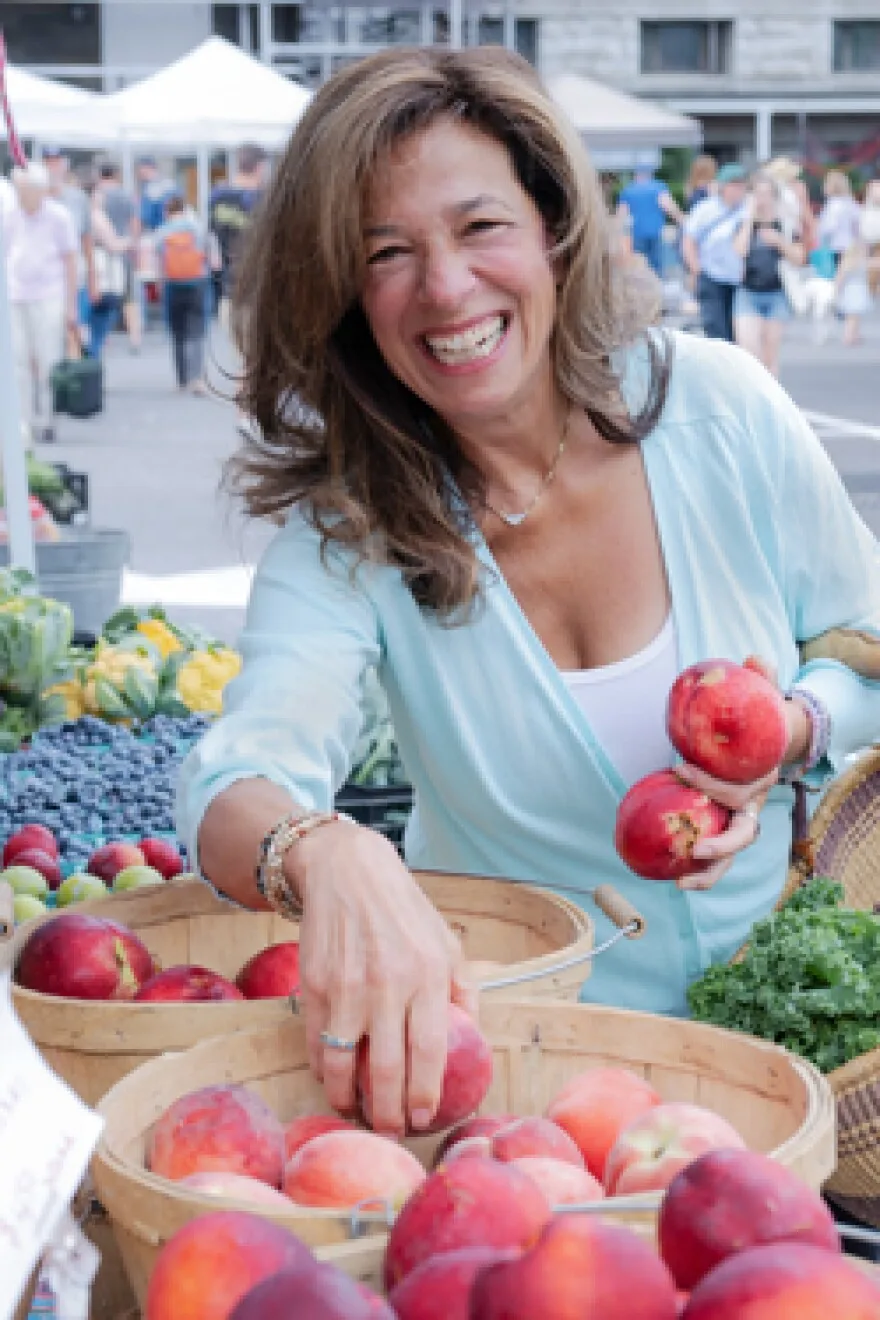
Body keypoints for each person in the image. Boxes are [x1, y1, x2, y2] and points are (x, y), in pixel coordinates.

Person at [175, 47, 880, 1137]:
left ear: (552, 227)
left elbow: (866, 645)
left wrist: (793, 727)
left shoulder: (718, 411)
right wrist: (325, 851)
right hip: (541, 1109)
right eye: (386, 253)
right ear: (344, 298)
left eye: (479, 227)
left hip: (809, 1069)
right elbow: (236, 775)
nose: (446, 287)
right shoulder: (348, 536)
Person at [3, 163, 78, 444]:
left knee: (49, 360)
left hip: (49, 293)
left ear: (39, 190)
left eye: (25, 189)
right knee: (17, 360)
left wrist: (71, 304)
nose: (21, 194)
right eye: (19, 189)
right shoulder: (10, 216)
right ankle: (23, 420)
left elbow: (70, 260)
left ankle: (48, 418)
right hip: (15, 294)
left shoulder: (59, 217)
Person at [732, 171, 805, 377]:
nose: (762, 198)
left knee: (770, 356)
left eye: (766, 193)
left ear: (774, 196)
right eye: (757, 193)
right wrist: (749, 219)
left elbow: (799, 258)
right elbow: (739, 251)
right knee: (748, 352)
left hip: (777, 293)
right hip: (748, 292)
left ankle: (770, 403)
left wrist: (779, 241)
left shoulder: (786, 224)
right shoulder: (744, 223)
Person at [681, 162, 749, 342]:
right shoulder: (706, 209)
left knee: (737, 334)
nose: (737, 189)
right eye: (733, 184)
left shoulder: (749, 209)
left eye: (741, 184)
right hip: (711, 276)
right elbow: (689, 239)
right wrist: (696, 269)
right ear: (722, 186)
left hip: (740, 280)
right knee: (716, 330)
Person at [208, 143, 269, 334]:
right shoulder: (263, 198)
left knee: (239, 352)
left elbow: (210, 234)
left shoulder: (218, 195)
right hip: (257, 289)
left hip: (228, 287)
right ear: (260, 167)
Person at [154, 194, 209, 394]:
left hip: (173, 286)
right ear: (184, 209)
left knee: (178, 334)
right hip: (197, 283)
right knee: (196, 332)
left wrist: (160, 286)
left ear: (167, 212)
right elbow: (211, 258)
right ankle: (198, 379)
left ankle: (181, 380)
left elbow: (159, 264)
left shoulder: (161, 232)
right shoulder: (197, 229)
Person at [42, 146, 97, 344]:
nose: (52, 167)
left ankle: (75, 372)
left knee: (76, 331)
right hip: (43, 279)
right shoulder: (35, 197)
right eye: (48, 161)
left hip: (75, 276)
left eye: (56, 162)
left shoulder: (77, 198)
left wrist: (93, 278)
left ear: (64, 165)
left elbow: (87, 240)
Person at [97, 161, 142, 352]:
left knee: (103, 297)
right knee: (129, 298)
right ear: (116, 175)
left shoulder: (97, 196)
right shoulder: (126, 196)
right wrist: (133, 244)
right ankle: (135, 337)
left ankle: (103, 338)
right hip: (124, 249)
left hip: (101, 253)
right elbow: (135, 223)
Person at [615, 168, 685, 279]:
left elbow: (621, 215)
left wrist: (617, 234)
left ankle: (641, 291)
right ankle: (656, 290)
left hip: (637, 234)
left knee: (639, 265)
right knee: (656, 266)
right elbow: (668, 206)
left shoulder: (628, 190)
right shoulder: (658, 187)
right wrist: (682, 220)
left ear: (635, 176)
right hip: (655, 232)